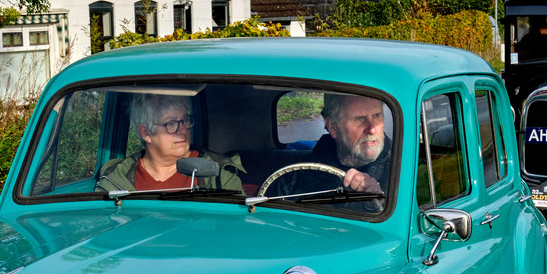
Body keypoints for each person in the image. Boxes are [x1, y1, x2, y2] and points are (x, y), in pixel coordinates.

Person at [97, 94, 244, 192]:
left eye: (185, 120)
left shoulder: (220, 175)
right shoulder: (116, 179)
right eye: (171, 124)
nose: (182, 130)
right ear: (146, 132)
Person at [270, 93, 390, 205]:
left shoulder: (403, 172)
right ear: (332, 126)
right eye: (360, 119)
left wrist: (381, 202)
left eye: (377, 116)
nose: (372, 129)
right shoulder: (297, 176)